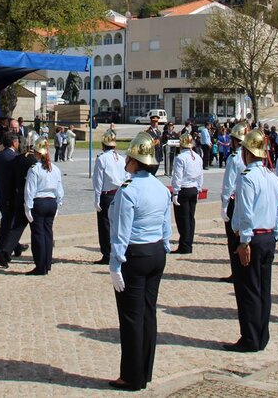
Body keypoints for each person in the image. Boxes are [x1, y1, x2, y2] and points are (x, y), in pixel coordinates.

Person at [107, 132, 172, 391]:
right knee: (148, 313)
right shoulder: (159, 187)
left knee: (131, 318)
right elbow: (167, 225)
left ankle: (131, 376)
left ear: (135, 161)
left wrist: (115, 264)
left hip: (134, 254)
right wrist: (165, 247)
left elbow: (121, 232)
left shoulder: (128, 189)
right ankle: (145, 370)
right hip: (156, 251)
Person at [225, 129, 278, 352]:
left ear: (247, 153)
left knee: (248, 289)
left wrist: (244, 241)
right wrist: (276, 234)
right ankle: (261, 335)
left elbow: (246, 213)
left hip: (253, 238)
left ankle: (250, 337)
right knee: (263, 289)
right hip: (268, 236)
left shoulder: (247, 177)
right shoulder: (272, 177)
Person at [24, 138, 64, 275]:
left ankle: (40, 265)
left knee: (38, 234)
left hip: (39, 202)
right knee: (48, 233)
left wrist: (27, 207)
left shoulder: (34, 169)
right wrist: (58, 203)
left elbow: (30, 190)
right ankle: (47, 263)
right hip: (51, 202)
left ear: (36, 153)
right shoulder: (55, 169)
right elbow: (60, 189)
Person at [92, 130, 128, 265]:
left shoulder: (102, 159)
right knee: (118, 225)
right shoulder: (121, 158)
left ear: (103, 145)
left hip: (106, 195)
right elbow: (128, 178)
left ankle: (107, 254)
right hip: (119, 193)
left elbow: (98, 181)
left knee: (105, 226)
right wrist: (124, 189)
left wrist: (97, 198)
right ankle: (118, 250)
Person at [220, 122, 249, 282]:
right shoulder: (248, 156)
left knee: (233, 238)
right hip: (246, 200)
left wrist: (224, 204)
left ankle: (236, 272)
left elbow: (228, 184)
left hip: (234, 201)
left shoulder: (234, 158)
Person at [0, 132, 23, 268]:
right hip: (10, 196)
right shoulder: (14, 157)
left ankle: (16, 246)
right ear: (14, 143)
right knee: (8, 225)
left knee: (8, 223)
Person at [170, 133, 203, 254]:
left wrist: (175, 191)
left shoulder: (180, 158)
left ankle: (184, 244)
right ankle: (188, 242)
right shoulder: (197, 157)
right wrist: (199, 188)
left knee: (182, 219)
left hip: (183, 189)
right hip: (193, 188)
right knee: (190, 218)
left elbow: (177, 176)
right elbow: (200, 175)